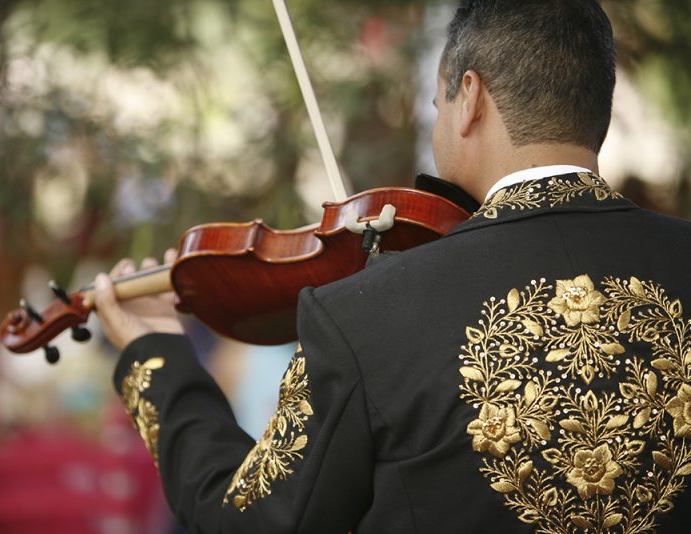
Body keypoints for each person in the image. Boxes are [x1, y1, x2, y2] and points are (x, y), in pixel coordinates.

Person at [94, 1, 691, 532]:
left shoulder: (364, 313)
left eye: (438, 102)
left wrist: (156, 357)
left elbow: (249, 519)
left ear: (471, 99)